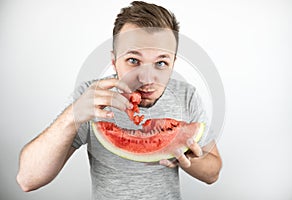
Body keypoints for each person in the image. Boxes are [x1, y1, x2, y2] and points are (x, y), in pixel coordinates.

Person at [16, 1, 222, 199]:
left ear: (173, 63)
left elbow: (213, 173)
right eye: (133, 60)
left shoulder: (186, 96)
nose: (147, 78)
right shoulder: (92, 97)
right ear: (114, 61)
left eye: (161, 62)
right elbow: (27, 180)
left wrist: (183, 157)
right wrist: (72, 115)